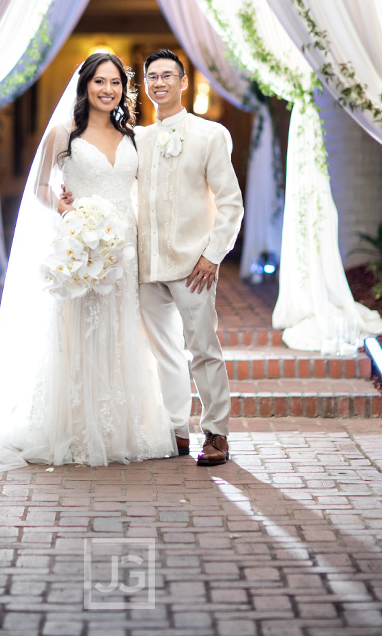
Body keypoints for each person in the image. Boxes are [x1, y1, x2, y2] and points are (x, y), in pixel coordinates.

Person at [0, 53, 175, 478]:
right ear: (85, 87)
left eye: (115, 83)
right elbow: (41, 187)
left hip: (127, 252)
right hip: (82, 250)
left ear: (123, 88)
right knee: (82, 332)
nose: (107, 90)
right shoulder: (64, 134)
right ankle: (78, 429)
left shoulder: (132, 135)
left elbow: (144, 191)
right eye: (99, 82)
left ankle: (126, 429)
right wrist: (67, 214)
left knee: (125, 334)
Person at [136, 49, 244, 466]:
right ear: (145, 86)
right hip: (147, 264)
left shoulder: (209, 135)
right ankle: (175, 431)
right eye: (152, 77)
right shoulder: (139, 139)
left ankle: (216, 433)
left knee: (203, 348)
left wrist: (213, 255)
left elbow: (230, 202)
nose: (159, 82)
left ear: (183, 83)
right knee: (164, 353)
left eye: (167, 75)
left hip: (193, 265)